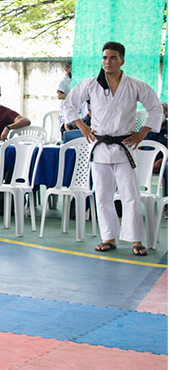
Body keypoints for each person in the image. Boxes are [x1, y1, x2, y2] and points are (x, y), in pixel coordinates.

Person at [63, 41, 163, 256]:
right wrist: (82, 127)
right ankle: (108, 237)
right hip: (99, 147)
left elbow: (156, 108)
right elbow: (69, 104)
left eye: (113, 58)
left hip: (125, 146)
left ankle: (136, 239)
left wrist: (142, 133)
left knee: (130, 195)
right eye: (105, 58)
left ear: (122, 60)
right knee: (102, 195)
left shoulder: (135, 85)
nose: (107, 62)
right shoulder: (91, 84)